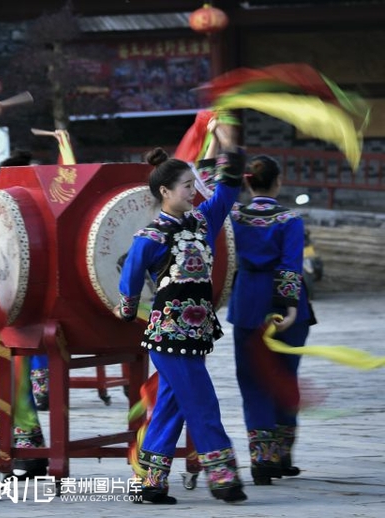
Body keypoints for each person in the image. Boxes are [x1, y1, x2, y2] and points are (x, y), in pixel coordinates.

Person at [115, 118, 247, 504]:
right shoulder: (150, 237)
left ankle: (150, 483)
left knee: (172, 406)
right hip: (170, 333)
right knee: (202, 402)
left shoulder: (204, 223)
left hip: (197, 329)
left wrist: (226, 142)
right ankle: (223, 478)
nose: (194, 191)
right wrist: (127, 308)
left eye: (194, 184)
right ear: (165, 191)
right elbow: (131, 275)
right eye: (187, 186)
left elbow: (227, 188)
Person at [227, 154, 313, 485]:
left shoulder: (233, 215)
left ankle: (262, 460)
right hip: (288, 305)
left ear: (248, 182)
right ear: (279, 181)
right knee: (284, 377)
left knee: (252, 379)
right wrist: (288, 306)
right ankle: (283, 454)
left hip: (248, 301)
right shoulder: (290, 219)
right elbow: (290, 264)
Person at [0, 99, 48, 478]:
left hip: (34, 303)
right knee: (7, 373)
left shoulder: (46, 210)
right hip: (8, 299)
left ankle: (22, 449)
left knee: (10, 372)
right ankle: (24, 449)